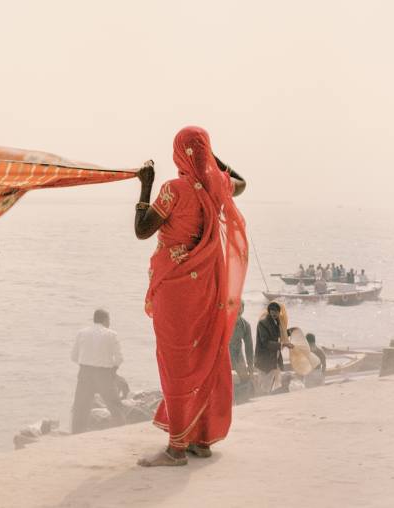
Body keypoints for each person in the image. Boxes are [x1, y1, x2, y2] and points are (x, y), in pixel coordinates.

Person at [133, 126, 248, 466]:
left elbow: (142, 230)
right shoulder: (219, 188)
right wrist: (211, 162)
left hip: (176, 291)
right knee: (205, 356)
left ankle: (176, 448)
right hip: (207, 288)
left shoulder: (174, 190)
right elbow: (243, 182)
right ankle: (201, 440)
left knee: (177, 361)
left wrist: (146, 182)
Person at [70, 309, 126, 434]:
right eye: (109, 320)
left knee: (80, 407)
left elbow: (73, 357)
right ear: (105, 320)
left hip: (85, 373)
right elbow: (119, 358)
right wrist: (113, 370)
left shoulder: (81, 333)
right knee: (115, 406)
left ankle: (76, 436)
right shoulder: (111, 334)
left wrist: (86, 365)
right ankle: (122, 433)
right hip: (104, 374)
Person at [254, 302, 294, 395]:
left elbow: (280, 334)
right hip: (264, 360)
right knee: (265, 385)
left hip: (274, 359)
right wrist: (283, 345)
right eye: (272, 311)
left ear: (279, 312)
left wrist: (290, 332)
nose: (274, 313)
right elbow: (265, 342)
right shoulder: (262, 323)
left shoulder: (277, 323)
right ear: (269, 311)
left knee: (270, 384)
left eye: (276, 311)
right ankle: (263, 401)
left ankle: (265, 400)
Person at [229, 300, 254, 379]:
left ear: (243, 309)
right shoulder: (223, 322)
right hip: (224, 355)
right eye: (236, 308)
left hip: (238, 355)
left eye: (241, 308)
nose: (238, 310)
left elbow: (249, 348)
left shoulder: (245, 325)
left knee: (245, 379)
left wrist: (250, 366)